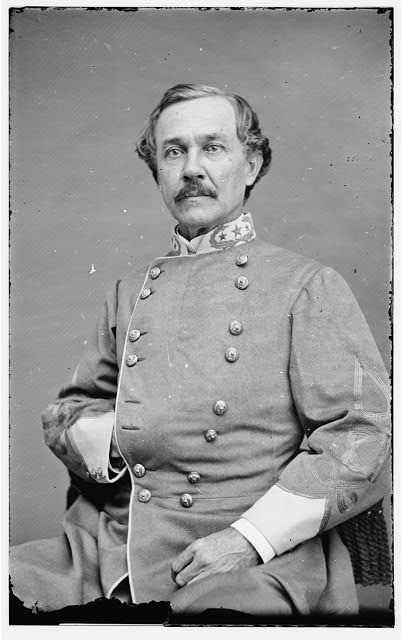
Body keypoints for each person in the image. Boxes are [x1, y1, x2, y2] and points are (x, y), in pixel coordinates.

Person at [10, 83, 391, 617]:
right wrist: (119, 437)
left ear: (251, 165)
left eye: (212, 147)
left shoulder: (306, 286)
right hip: (110, 549)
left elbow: (362, 434)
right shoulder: (128, 293)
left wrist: (250, 539)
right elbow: (69, 411)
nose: (191, 168)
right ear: (157, 171)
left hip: (250, 555)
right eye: (174, 151)